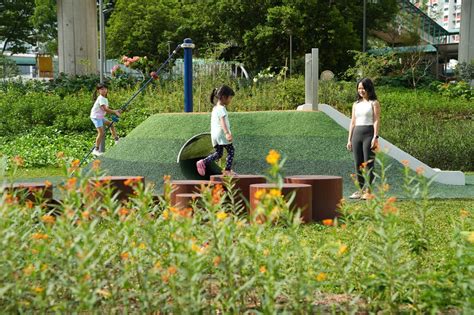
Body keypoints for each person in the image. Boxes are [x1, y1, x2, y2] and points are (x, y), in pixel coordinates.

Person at [346, 78, 380, 199]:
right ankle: (359, 190)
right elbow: (353, 122)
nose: (361, 90)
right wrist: (349, 139)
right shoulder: (356, 104)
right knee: (358, 163)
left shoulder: (374, 103)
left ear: (369, 88)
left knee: (368, 163)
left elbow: (376, 120)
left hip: (369, 134)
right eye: (359, 88)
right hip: (357, 134)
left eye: (363, 88)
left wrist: (375, 137)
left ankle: (368, 191)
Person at [196, 85, 236, 176]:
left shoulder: (215, 108)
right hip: (221, 133)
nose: (230, 100)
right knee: (231, 151)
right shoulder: (222, 108)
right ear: (223, 97)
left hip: (214, 135)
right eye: (230, 98)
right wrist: (226, 133)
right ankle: (227, 170)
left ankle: (202, 162)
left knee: (219, 153)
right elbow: (222, 122)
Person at [90, 83, 121, 156]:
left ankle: (116, 140)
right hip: (96, 117)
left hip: (100, 116)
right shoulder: (101, 98)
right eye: (102, 89)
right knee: (101, 133)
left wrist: (115, 111)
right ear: (98, 91)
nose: (104, 90)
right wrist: (115, 111)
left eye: (105, 89)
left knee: (111, 124)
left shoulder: (104, 98)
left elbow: (105, 110)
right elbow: (105, 109)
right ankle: (96, 149)